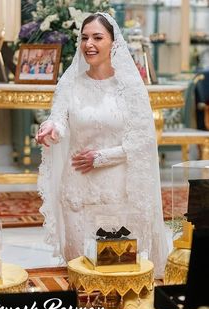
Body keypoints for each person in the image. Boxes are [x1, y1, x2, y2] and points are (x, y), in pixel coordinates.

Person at [35, 13, 172, 278]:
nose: (89, 44)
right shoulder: (70, 82)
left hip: (116, 189)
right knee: (80, 268)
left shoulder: (130, 88)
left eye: (98, 37)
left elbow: (141, 139)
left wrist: (101, 157)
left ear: (113, 43)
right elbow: (59, 119)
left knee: (114, 265)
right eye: (84, 37)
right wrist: (50, 129)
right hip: (76, 187)